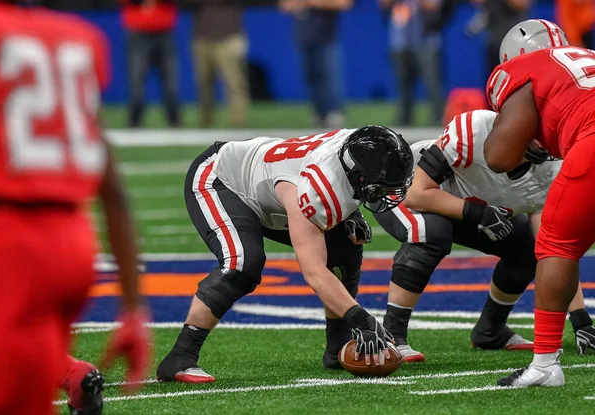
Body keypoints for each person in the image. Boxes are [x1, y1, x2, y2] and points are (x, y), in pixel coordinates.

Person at [0, 3, 152, 415]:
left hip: (10, 236)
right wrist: (132, 307)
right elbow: (113, 186)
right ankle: (69, 373)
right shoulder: (78, 38)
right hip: (69, 238)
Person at [157, 126, 414, 383]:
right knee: (243, 264)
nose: (386, 194)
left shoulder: (359, 146)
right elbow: (314, 271)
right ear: (357, 175)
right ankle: (180, 357)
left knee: (344, 245)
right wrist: (362, 320)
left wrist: (351, 213)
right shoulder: (316, 189)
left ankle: (338, 346)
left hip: (274, 186)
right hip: (222, 180)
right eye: (379, 188)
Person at [374, 109, 594, 362]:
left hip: (467, 208)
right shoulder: (473, 129)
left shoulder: (551, 171)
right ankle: (392, 336)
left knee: (527, 246)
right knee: (430, 233)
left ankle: (490, 330)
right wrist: (477, 213)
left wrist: (581, 320)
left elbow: (553, 251)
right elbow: (416, 194)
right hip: (402, 186)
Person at [485, 19, 595, 387]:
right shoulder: (587, 56)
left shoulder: (520, 69)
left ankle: (546, 364)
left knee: (555, 245)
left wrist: (527, 145)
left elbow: (500, 156)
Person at [279, 0, 352, 129]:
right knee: (311, 77)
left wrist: (312, 2)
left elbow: (344, 4)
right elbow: (284, 6)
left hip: (326, 36)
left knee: (329, 75)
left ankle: (334, 111)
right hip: (303, 36)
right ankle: (319, 113)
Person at [380, 0, 449, 126]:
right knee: (403, 86)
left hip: (426, 40)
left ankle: (438, 122)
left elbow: (433, 5)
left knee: (433, 84)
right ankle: (403, 122)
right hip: (400, 41)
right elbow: (384, 4)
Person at [121, 0, 181, 127]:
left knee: (170, 80)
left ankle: (174, 122)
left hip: (164, 31)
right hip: (139, 31)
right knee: (136, 80)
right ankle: (134, 122)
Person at [191, 2, 250, 128]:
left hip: (229, 37)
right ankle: (206, 120)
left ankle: (237, 121)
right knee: (204, 82)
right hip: (203, 37)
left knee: (234, 82)